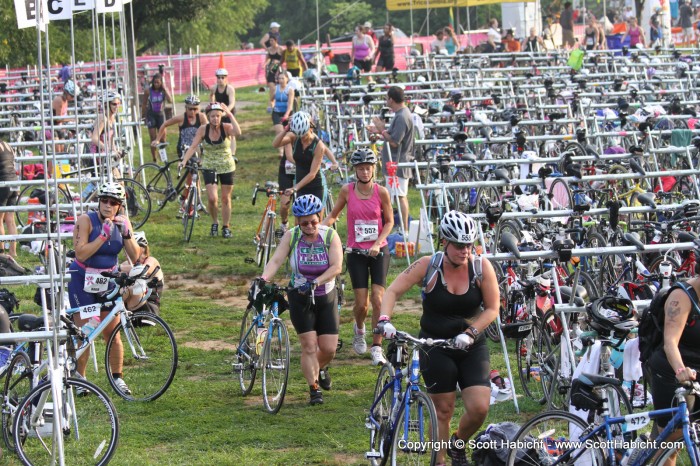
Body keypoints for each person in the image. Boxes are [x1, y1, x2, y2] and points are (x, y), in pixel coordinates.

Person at [376, 210, 499, 466]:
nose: (465, 250)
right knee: (443, 410)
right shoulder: (427, 264)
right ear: (444, 241)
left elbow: (492, 309)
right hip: (435, 345)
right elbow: (392, 291)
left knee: (479, 408)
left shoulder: (480, 267)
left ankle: (457, 443)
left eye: (468, 244)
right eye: (458, 245)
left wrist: (471, 333)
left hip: (471, 345)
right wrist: (384, 320)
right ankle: (439, 460)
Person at [257, 194, 343, 405]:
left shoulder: (330, 235)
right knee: (309, 346)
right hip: (299, 295)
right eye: (304, 223)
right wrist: (263, 278)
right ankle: (313, 388)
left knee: (329, 348)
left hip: (325, 295)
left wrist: (316, 282)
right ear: (297, 221)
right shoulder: (292, 236)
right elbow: (276, 259)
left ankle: (319, 368)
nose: (310, 226)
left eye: (314, 221)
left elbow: (336, 267)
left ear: (320, 216)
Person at [68, 181, 141, 394]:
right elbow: (81, 253)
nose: (108, 206)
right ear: (99, 202)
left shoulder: (122, 222)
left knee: (113, 332)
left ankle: (118, 378)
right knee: (85, 331)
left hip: (107, 280)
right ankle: (80, 378)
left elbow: (135, 257)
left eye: (113, 202)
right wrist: (102, 237)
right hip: (82, 279)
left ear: (120, 206)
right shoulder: (86, 220)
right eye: (104, 201)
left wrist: (127, 234)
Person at [323, 149, 393, 365]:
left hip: (378, 251)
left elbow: (389, 221)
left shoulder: (381, 192)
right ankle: (359, 328)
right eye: (360, 168)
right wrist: (317, 228)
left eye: (368, 168)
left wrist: (377, 243)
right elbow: (333, 215)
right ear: (354, 170)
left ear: (374, 169)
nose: (364, 172)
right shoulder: (347, 191)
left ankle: (377, 346)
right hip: (356, 253)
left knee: (378, 300)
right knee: (362, 305)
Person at [647, 272, 700, 465]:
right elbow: (670, 342)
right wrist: (680, 371)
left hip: (697, 372)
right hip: (673, 372)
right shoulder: (682, 297)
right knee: (671, 445)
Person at [180, 102, 241, 238]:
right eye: (213, 116)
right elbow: (193, 146)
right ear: (208, 116)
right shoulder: (203, 129)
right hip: (209, 166)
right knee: (213, 198)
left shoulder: (226, 127)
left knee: (226, 198)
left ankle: (226, 226)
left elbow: (238, 132)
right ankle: (215, 222)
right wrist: (184, 161)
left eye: (218, 116)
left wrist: (230, 114)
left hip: (226, 166)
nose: (215, 119)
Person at [369, 86, 414, 232]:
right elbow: (392, 136)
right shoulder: (401, 114)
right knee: (395, 196)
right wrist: (379, 132)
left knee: (400, 196)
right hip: (395, 163)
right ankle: (397, 227)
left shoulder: (402, 116)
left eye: (387, 98)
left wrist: (382, 129)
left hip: (398, 164)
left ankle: (404, 230)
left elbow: (395, 141)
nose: (385, 101)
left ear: (392, 99)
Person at [273, 111, 329, 206]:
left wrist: (294, 188)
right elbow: (275, 144)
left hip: (316, 186)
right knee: (299, 219)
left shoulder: (318, 146)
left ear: (310, 128)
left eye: (305, 135)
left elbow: (312, 174)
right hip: (300, 185)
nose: (302, 138)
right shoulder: (294, 137)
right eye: (299, 136)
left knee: (316, 220)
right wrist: (286, 130)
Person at [269, 73, 295, 235]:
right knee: (285, 204)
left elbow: (323, 150)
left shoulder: (312, 140)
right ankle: (284, 223)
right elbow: (290, 156)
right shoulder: (289, 137)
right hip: (287, 169)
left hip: (302, 173)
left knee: (301, 204)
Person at [119, 232, 164, 315]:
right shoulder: (126, 264)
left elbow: (143, 269)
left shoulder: (151, 261)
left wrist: (117, 268)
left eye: (128, 248)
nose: (126, 251)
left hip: (148, 309)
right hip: (128, 309)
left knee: (131, 289)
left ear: (142, 249)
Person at [153, 94, 208, 161]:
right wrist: (157, 139)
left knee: (198, 168)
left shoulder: (201, 117)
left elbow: (208, 129)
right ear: (186, 108)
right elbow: (165, 124)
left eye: (195, 109)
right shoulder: (181, 118)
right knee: (191, 168)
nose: (192, 112)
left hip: (197, 147)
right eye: (190, 109)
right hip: (183, 148)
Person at [142, 73, 173, 162]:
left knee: (163, 138)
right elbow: (144, 103)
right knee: (153, 137)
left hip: (160, 115)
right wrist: (143, 115)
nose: (156, 84)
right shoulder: (148, 91)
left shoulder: (163, 91)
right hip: (151, 115)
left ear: (161, 83)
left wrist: (165, 89)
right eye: (155, 82)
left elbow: (170, 100)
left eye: (158, 83)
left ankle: (163, 157)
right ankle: (154, 158)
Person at [0, 140, 18, 258]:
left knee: (0, 220)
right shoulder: (8, 145)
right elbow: (13, 165)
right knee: (10, 220)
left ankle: (1, 251)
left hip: (3, 184)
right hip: (14, 182)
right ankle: (13, 252)